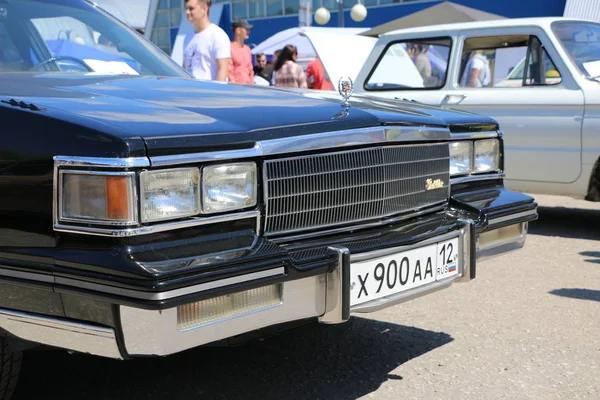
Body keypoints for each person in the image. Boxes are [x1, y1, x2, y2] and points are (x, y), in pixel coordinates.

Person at [182, 0, 230, 81]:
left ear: (204, 9)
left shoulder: (217, 35)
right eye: (186, 8)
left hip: (208, 91)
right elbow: (184, 68)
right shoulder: (188, 38)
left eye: (191, 8)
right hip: (190, 91)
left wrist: (215, 93)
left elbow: (223, 70)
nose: (187, 12)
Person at [228, 19, 254, 84]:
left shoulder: (247, 49)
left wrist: (251, 84)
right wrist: (234, 86)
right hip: (235, 88)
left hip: (248, 88)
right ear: (238, 31)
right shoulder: (229, 48)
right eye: (246, 29)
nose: (248, 32)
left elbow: (250, 70)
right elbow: (228, 70)